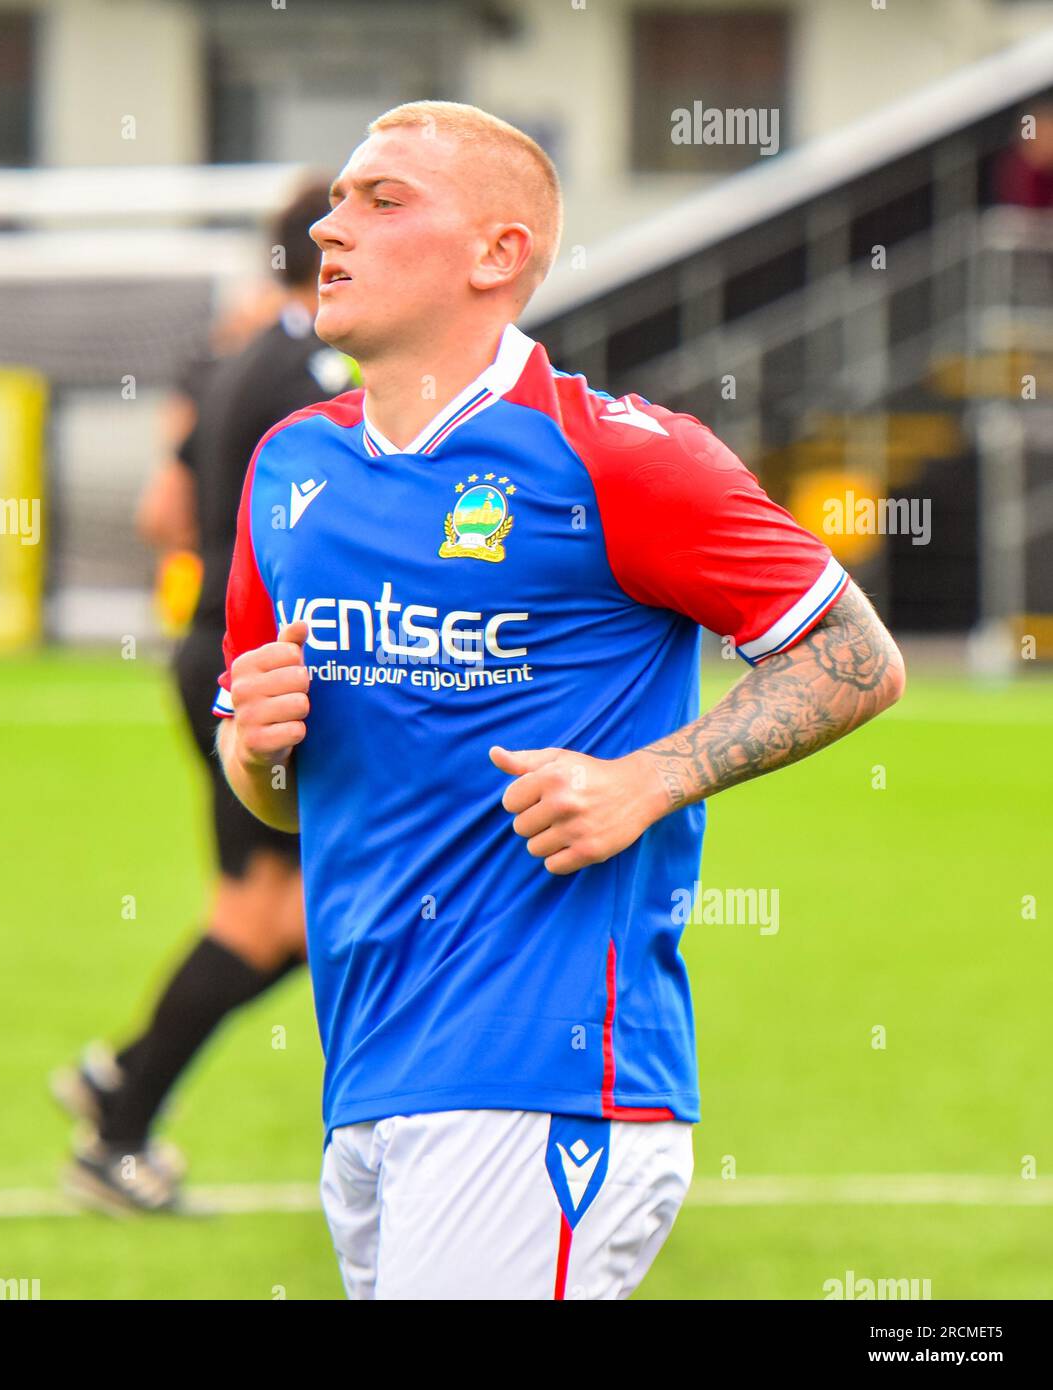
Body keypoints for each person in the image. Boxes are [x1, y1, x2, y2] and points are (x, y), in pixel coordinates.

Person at [214, 101, 906, 1300]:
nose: (334, 226)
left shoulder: (625, 457)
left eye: (384, 201)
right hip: (368, 1068)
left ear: (498, 254)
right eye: (337, 200)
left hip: (550, 1075)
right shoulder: (290, 467)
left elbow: (856, 656)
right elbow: (277, 801)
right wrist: (261, 753)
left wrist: (654, 776)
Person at [52, 182, 356, 1213]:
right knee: (271, 917)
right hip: (258, 665)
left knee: (312, 919)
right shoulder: (315, 367)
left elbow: (165, 511)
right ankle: (118, 1127)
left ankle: (122, 1079)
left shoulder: (235, 356)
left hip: (225, 650)